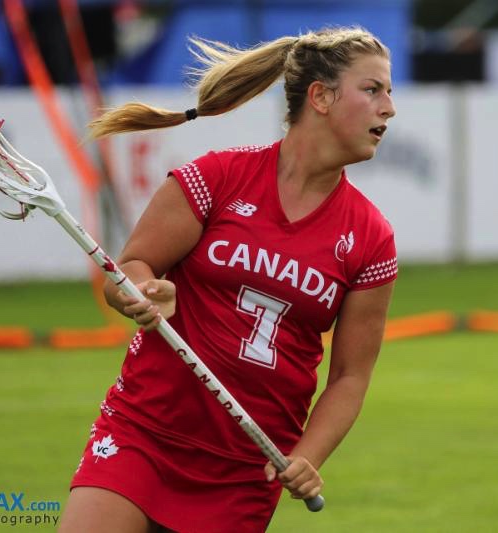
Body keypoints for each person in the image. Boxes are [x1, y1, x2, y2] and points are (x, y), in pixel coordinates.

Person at [58, 26, 398, 533]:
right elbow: (126, 270)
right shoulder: (216, 178)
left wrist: (309, 455)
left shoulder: (371, 238)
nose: (389, 107)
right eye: (373, 90)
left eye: (388, 92)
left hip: (244, 468)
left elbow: (350, 376)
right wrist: (142, 292)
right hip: (144, 432)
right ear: (321, 97)